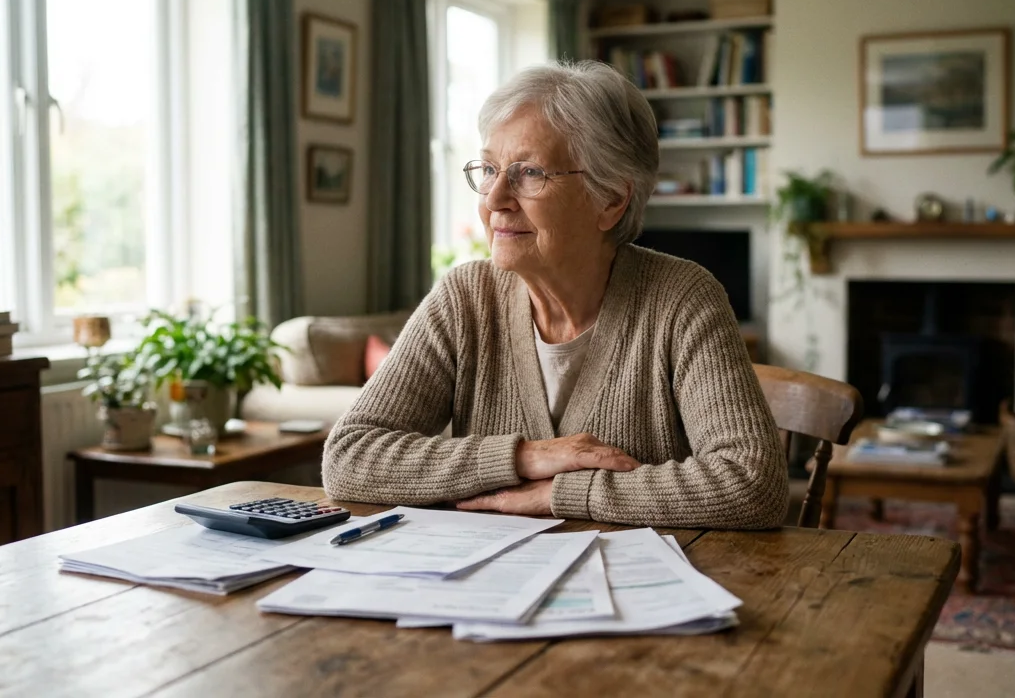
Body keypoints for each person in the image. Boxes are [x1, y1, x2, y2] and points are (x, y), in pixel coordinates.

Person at [322, 61, 787, 529]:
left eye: (528, 173)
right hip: (488, 582)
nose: (493, 198)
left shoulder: (682, 300)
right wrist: (525, 457)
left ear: (610, 199)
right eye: (488, 169)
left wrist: (560, 493)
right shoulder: (465, 298)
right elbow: (349, 457)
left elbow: (752, 484)